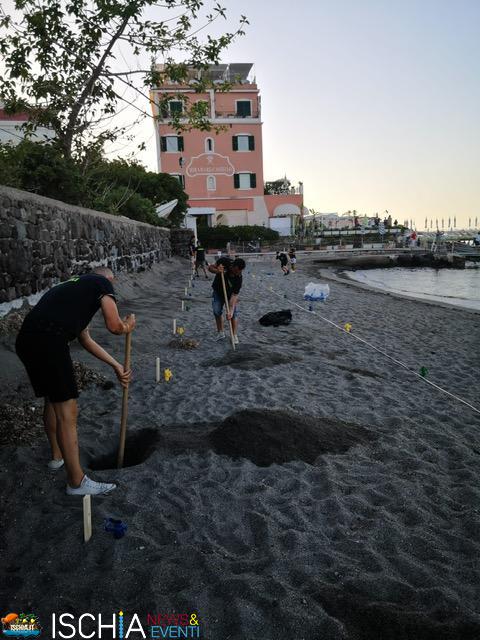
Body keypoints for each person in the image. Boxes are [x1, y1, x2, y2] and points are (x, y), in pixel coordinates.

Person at [15, 267, 136, 496]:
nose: (112, 290)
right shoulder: (102, 283)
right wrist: (126, 326)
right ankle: (76, 481)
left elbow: (85, 339)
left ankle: (57, 457)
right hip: (50, 340)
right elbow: (114, 326)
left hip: (27, 341)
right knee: (67, 410)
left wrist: (116, 366)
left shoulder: (72, 288)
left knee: (53, 400)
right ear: (108, 279)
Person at [208, 257, 246, 343]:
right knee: (216, 311)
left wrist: (231, 311)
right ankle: (221, 332)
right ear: (233, 266)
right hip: (218, 291)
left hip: (230, 295)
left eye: (240, 271)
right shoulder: (224, 262)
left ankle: (234, 335)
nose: (238, 273)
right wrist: (217, 271)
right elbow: (210, 268)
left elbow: (234, 296)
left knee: (233, 315)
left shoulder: (239, 278)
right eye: (236, 271)